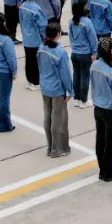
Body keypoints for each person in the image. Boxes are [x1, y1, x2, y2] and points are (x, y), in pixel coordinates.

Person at [90, 37, 112, 181]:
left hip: (98, 108)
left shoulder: (94, 66)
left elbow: (93, 86)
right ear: (111, 51)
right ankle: (108, 173)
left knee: (101, 142)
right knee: (110, 145)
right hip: (110, 111)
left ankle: (107, 170)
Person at [38, 21, 73, 158]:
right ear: (58, 34)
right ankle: (58, 149)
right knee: (59, 119)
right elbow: (65, 74)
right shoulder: (60, 52)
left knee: (48, 116)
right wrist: (70, 90)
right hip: (57, 89)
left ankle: (50, 146)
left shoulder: (41, 48)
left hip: (45, 87)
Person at [69, 0, 97, 107]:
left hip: (75, 52)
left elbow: (71, 37)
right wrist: (94, 52)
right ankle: (84, 100)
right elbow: (92, 39)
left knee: (76, 75)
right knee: (85, 76)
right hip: (85, 53)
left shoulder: (71, 21)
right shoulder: (87, 22)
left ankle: (76, 98)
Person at [20, 0, 47, 91]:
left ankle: (29, 80)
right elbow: (42, 24)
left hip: (26, 37)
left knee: (28, 59)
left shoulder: (22, 6)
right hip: (35, 38)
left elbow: (21, 20)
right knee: (36, 61)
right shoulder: (36, 8)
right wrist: (45, 36)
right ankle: (36, 82)